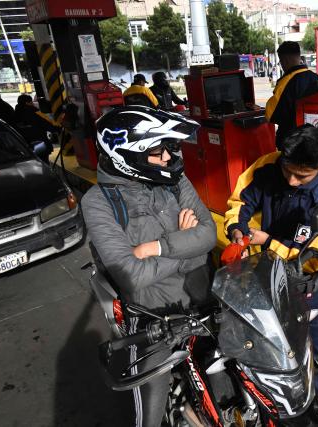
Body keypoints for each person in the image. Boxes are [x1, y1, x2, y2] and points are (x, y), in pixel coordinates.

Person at [81, 106, 216, 427]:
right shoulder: (98, 201)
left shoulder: (174, 180)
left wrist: (157, 247)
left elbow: (209, 234)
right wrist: (186, 240)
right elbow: (133, 277)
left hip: (205, 301)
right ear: (127, 156)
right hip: (154, 323)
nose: (169, 158)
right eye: (158, 152)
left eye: (170, 149)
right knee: (150, 416)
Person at [224, 124, 318, 426]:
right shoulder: (270, 166)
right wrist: (237, 230)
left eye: (302, 176)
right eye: (288, 170)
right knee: (267, 351)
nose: (291, 180)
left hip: (306, 285)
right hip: (263, 276)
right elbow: (241, 200)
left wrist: (269, 242)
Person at [265, 41, 318, 149]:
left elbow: (270, 114)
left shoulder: (286, 82)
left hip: (292, 144)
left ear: (285, 60)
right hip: (313, 139)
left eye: (281, 61)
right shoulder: (315, 77)